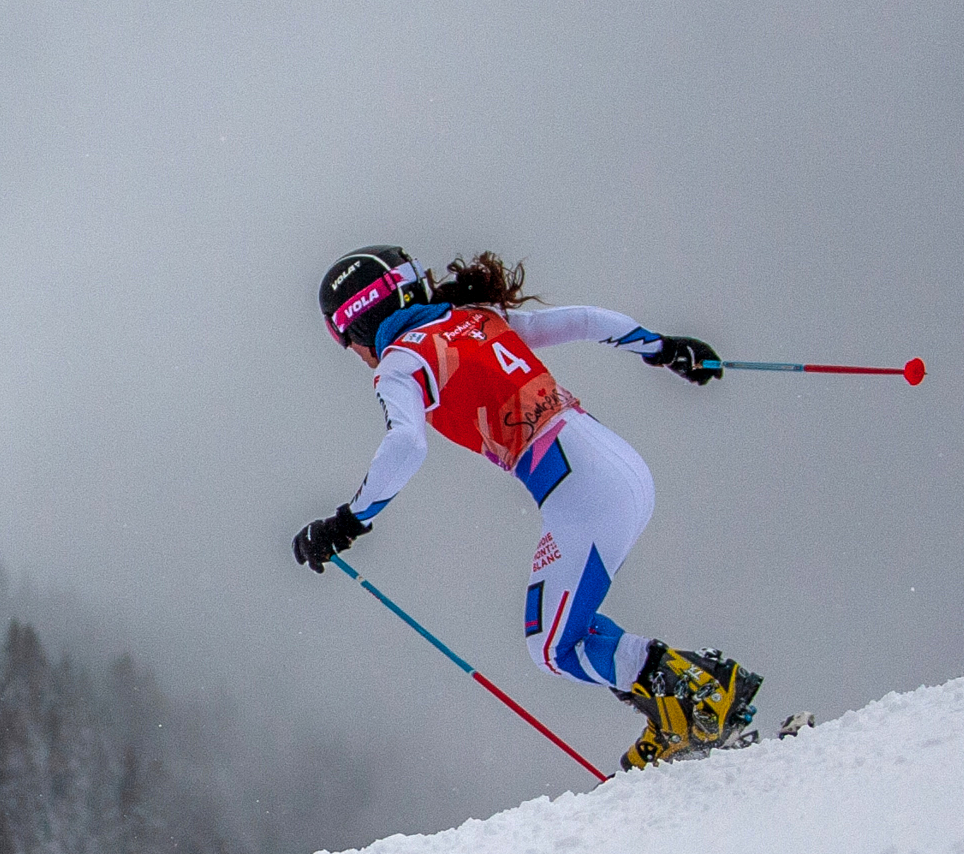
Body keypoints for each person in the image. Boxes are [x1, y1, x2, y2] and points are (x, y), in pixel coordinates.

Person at [293, 245, 761, 770]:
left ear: (361, 322)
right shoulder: (476, 317)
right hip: (619, 467)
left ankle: (698, 701)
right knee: (560, 633)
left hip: (581, 493)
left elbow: (407, 445)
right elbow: (585, 321)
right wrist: (662, 348)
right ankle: (700, 691)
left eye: (343, 340)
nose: (355, 355)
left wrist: (348, 521)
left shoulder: (402, 362)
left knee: (553, 647)